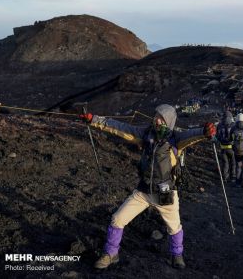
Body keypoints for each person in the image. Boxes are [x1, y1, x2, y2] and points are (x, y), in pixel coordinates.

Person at [80, 104, 216, 270]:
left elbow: (193, 134)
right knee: (117, 219)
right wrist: (94, 120)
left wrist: (205, 132)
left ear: (169, 121)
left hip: (165, 192)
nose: (156, 120)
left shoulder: (175, 139)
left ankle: (177, 255)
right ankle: (110, 254)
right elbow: (120, 127)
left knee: (174, 227)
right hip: (143, 191)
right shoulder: (145, 134)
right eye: (156, 116)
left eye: (161, 118)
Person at [216, 110, 236, 182]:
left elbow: (217, 136)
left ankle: (225, 177)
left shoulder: (219, 125)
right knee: (233, 163)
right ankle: (233, 177)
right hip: (232, 148)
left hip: (223, 148)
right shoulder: (234, 124)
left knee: (225, 163)